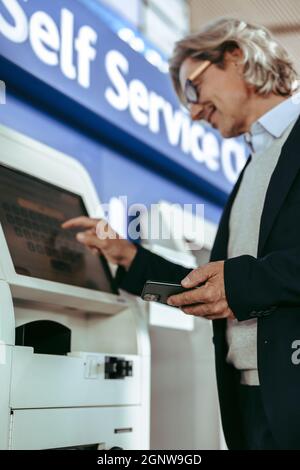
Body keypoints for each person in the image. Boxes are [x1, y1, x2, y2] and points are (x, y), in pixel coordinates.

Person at [62, 18, 300, 450]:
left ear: (235, 56)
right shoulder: (252, 168)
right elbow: (217, 283)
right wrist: (129, 258)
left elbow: (243, 281)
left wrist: (245, 282)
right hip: (251, 400)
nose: (192, 112)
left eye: (193, 89)